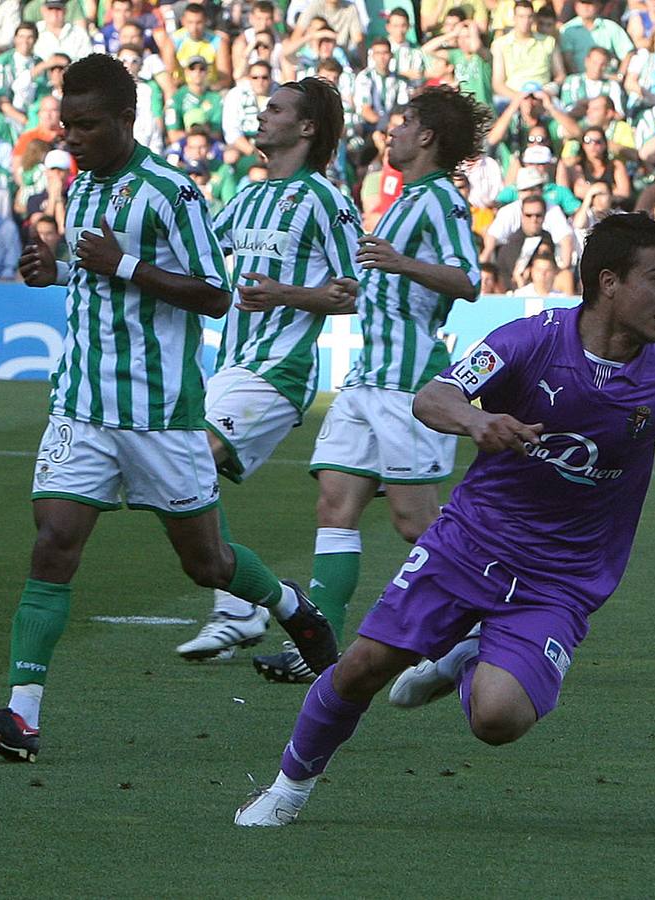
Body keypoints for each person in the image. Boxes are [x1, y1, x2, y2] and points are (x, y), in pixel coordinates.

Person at [233, 212, 655, 826]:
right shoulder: (529, 341)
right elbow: (434, 396)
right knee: (362, 669)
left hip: (564, 578)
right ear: (609, 282)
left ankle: (470, 650)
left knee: (498, 720)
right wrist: (478, 421)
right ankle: (288, 788)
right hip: (470, 543)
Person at [0, 54, 338, 764]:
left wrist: (124, 266)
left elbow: (214, 293)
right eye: (67, 124)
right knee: (52, 543)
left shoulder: (172, 193)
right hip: (81, 405)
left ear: (127, 119)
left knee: (206, 563)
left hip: (161, 417)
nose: (73, 137)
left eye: (88, 124)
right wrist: (59, 271)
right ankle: (21, 717)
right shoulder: (81, 189)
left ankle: (293, 609)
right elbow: (93, 273)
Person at [251, 85, 493, 684]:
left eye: (403, 123)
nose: (393, 133)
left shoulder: (441, 201)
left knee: (416, 522)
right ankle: (320, 650)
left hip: (409, 388)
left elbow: (467, 280)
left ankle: (482, 623)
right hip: (366, 381)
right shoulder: (406, 199)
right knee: (335, 503)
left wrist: (400, 262)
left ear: (427, 137)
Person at [175, 78, 364, 661]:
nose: (264, 114)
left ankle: (251, 604)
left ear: (306, 128)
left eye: (276, 108)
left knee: (190, 461)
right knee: (181, 474)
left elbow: (355, 291)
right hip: (230, 365)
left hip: (279, 371)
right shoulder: (248, 197)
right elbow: (194, 254)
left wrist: (285, 293)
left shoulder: (326, 201)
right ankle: (241, 606)